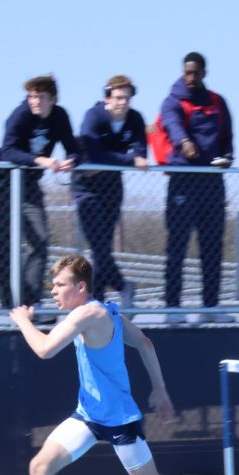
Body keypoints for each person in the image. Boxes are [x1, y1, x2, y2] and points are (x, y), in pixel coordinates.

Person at [0, 254, 236, 475]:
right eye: (52, 285)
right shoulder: (106, 312)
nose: (53, 291)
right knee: (40, 467)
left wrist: (23, 321)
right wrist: (159, 389)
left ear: (81, 287)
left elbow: (44, 349)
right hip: (89, 416)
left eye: (59, 285)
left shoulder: (89, 315)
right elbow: (145, 343)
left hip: (119, 418)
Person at [0, 75, 81, 324]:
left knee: (39, 240)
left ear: (53, 99)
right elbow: (8, 150)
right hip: (2, 181)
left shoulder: (60, 116)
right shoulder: (20, 115)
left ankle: (31, 301)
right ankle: (10, 303)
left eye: (40, 96)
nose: (35, 101)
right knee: (1, 243)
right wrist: (40, 160)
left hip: (29, 185)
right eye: (31, 96)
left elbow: (72, 145)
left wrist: (72, 158)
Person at [160, 52, 234, 323]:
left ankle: (211, 307)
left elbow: (227, 137)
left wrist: (227, 157)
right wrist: (184, 142)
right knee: (177, 245)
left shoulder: (217, 101)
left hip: (212, 182)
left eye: (195, 73)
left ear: (204, 73)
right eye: (187, 73)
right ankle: (172, 307)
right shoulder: (173, 100)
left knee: (212, 246)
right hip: (183, 181)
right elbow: (171, 123)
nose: (190, 78)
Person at [75, 75, 147, 306]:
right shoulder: (93, 116)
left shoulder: (135, 119)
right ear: (107, 98)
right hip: (86, 187)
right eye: (117, 97)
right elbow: (95, 155)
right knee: (98, 244)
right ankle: (121, 286)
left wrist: (117, 161)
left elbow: (141, 151)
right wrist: (127, 160)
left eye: (126, 98)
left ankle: (99, 301)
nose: (122, 102)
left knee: (102, 248)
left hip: (112, 187)